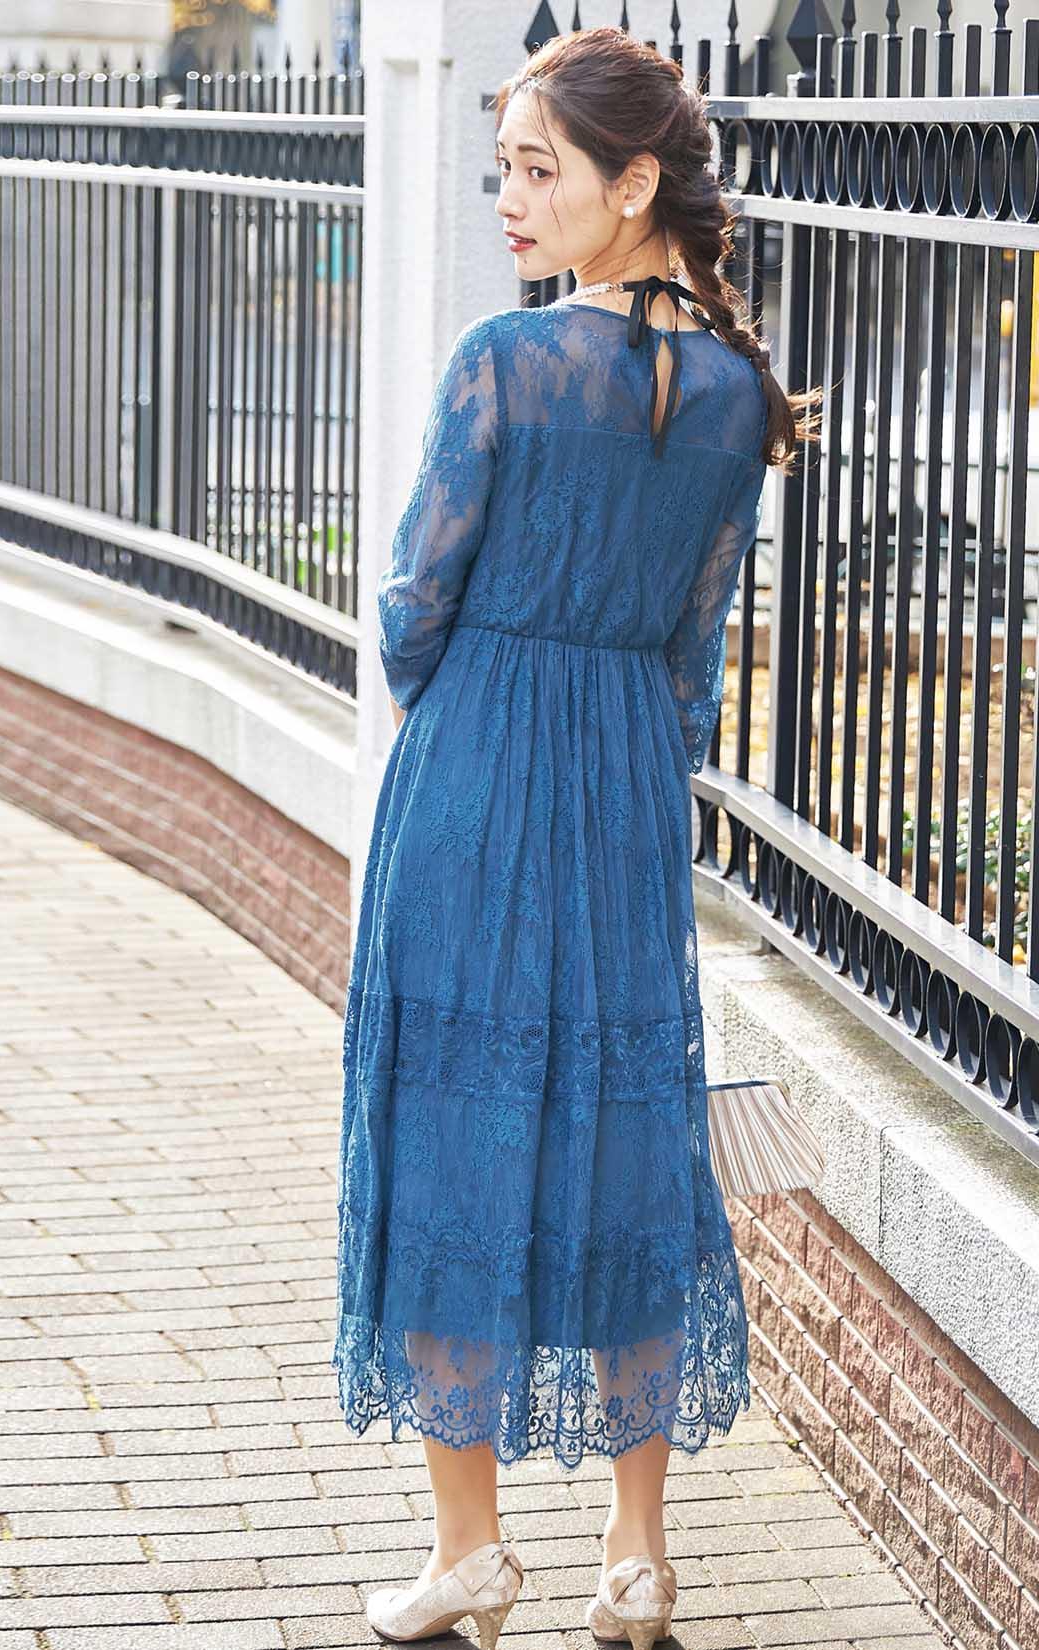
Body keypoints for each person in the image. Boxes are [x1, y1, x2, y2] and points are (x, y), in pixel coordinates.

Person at [331, 24, 819, 1650]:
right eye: (502, 170)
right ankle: (635, 1554)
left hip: (477, 773)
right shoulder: (736, 393)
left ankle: (468, 1549)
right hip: (624, 790)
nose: (509, 200)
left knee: (451, 1125)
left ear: (633, 182)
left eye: (537, 169)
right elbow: (694, 654)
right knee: (626, 1138)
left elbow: (416, 601)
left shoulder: (506, 361)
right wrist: (620, 764)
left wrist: (473, 717)